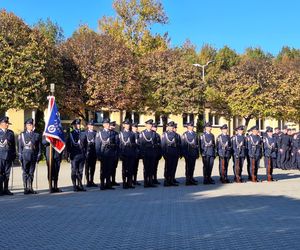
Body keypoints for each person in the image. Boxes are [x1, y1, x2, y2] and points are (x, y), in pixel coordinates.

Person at [18, 118, 41, 194]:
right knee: (25, 172)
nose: (31, 126)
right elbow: (20, 147)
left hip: (33, 155)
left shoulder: (36, 135)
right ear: (26, 126)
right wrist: (20, 156)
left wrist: (38, 155)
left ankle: (30, 187)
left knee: (31, 172)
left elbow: (39, 147)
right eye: (29, 125)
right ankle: (25, 188)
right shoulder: (22, 135)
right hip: (25, 155)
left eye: (31, 124)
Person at [96, 118, 119, 190]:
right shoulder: (100, 133)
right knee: (103, 170)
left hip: (111, 154)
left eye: (108, 123)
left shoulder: (112, 133)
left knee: (109, 169)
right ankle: (102, 184)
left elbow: (116, 144)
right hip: (103, 154)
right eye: (106, 124)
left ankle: (108, 184)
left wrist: (115, 154)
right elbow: (97, 145)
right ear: (103, 125)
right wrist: (98, 155)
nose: (108, 125)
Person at [66, 119, 87, 192]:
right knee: (74, 171)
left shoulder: (83, 133)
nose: (78, 125)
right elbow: (68, 145)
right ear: (74, 125)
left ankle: (80, 185)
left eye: (79, 124)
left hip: (82, 155)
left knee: (81, 171)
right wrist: (67, 155)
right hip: (74, 155)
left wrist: (85, 154)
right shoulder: (71, 134)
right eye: (76, 124)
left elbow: (86, 145)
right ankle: (74, 186)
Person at [161, 121, 181, 187]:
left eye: (172, 126)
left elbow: (179, 145)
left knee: (173, 167)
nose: (171, 128)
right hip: (168, 154)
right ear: (168, 127)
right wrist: (164, 154)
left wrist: (179, 153)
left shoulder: (177, 135)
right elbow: (163, 145)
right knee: (167, 168)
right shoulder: (165, 134)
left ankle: (172, 180)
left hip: (175, 154)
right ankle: (166, 181)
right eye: (170, 126)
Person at [0, 116, 16, 196]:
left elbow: (13, 145)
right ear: (1, 124)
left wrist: (14, 154)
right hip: (0, 156)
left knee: (7, 173)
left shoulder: (11, 133)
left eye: (7, 123)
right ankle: (0, 189)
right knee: (0, 173)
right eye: (6, 123)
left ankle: (6, 189)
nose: (7, 125)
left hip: (8, 156)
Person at [119, 119, 136, 189]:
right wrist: (120, 154)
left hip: (131, 153)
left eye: (129, 124)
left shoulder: (132, 133)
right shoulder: (121, 134)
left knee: (131, 169)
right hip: (124, 153)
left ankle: (129, 182)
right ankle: (124, 183)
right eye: (126, 124)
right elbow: (119, 145)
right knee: (124, 169)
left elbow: (134, 143)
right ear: (124, 125)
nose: (128, 126)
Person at [139, 119, 157, 188]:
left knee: (151, 168)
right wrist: (142, 153)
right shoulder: (142, 133)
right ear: (146, 125)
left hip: (152, 153)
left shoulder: (154, 133)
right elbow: (141, 144)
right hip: (145, 153)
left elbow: (155, 144)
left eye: (151, 124)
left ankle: (150, 181)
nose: (150, 126)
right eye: (148, 124)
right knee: (146, 168)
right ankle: (146, 182)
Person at [84, 120, 97, 187]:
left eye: (92, 125)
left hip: (93, 152)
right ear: (88, 126)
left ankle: (92, 180)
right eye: (90, 125)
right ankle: (88, 181)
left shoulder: (95, 133)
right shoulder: (85, 133)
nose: (92, 126)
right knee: (87, 167)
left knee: (93, 168)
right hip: (87, 152)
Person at [110, 121, 120, 186]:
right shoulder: (108, 133)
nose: (113, 127)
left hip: (115, 153)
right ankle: (108, 181)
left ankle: (113, 180)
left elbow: (118, 144)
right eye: (112, 126)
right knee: (109, 168)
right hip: (109, 153)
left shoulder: (116, 133)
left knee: (114, 168)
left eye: (114, 126)